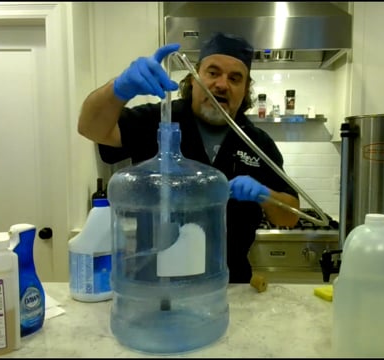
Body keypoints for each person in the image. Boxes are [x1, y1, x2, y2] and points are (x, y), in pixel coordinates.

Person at [77, 32, 299, 283]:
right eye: (213, 73)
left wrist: (265, 195)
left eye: (235, 78)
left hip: (228, 286)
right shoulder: (158, 120)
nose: (222, 85)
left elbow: (290, 217)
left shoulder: (257, 143)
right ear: (194, 79)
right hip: (156, 286)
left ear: (245, 89)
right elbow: (90, 128)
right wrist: (118, 89)